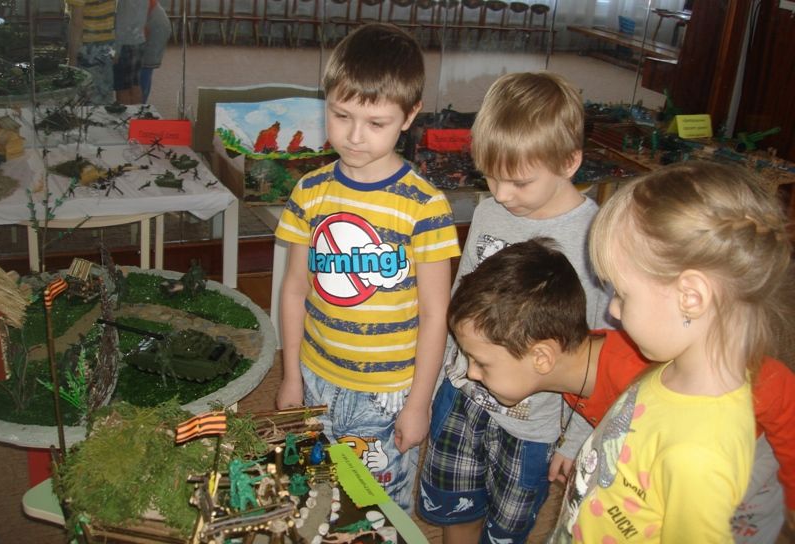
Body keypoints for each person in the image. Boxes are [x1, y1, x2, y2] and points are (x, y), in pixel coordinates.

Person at [448, 237, 795, 543]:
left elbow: (777, 387)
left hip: (729, 483)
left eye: (481, 363)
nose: (472, 372)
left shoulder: (640, 372)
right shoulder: (580, 369)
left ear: (541, 357)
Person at [550, 160, 791, 541]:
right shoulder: (671, 368)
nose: (613, 310)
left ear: (690, 298)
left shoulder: (698, 454)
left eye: (622, 294)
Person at [274, 23, 460, 512]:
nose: (354, 136)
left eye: (376, 123)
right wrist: (290, 375)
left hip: (389, 393)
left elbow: (435, 315)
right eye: (341, 115)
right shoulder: (309, 192)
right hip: (315, 376)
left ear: (410, 115)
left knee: (375, 507)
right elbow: (293, 290)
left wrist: (418, 403)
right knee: (318, 495)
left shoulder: (425, 206)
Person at [418, 71, 611, 543]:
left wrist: (577, 438)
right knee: (453, 509)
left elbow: (598, 350)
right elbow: (461, 301)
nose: (502, 194)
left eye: (520, 181)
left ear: (570, 161)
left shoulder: (595, 239)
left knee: (506, 530)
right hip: (463, 396)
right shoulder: (489, 212)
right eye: (491, 175)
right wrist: (437, 381)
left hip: (532, 425)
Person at [66, 0, 116, 105]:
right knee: (104, 97)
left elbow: (76, 24)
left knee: (89, 102)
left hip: (89, 48)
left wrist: (72, 61)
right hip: (108, 44)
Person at [113, 0, 150, 104]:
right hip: (139, 40)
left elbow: (121, 24)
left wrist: (116, 50)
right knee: (135, 84)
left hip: (125, 44)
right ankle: (137, 113)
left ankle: (125, 114)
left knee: (122, 88)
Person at [139, 0, 171, 104]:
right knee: (143, 69)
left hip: (154, 26)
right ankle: (141, 104)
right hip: (150, 21)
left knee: (144, 67)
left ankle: (141, 106)